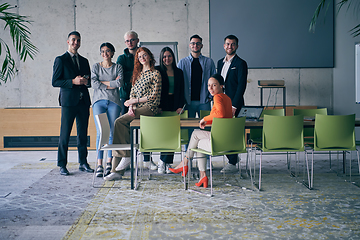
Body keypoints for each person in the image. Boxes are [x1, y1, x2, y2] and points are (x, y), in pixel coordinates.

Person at [104, 47, 162, 181]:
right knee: (120, 125)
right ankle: (116, 170)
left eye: (144, 55)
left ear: (150, 56)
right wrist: (132, 106)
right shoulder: (138, 74)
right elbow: (132, 93)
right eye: (140, 56)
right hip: (137, 108)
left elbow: (154, 96)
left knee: (119, 122)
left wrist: (134, 101)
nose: (142, 58)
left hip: (149, 107)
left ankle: (127, 156)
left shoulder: (155, 73)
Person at [169, 74, 232, 188]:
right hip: (227, 140)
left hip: (218, 141)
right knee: (198, 141)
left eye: (214, 85)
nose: (210, 88)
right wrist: (208, 121)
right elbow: (223, 118)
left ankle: (185, 162)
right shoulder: (227, 98)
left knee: (195, 135)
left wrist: (204, 119)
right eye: (208, 85)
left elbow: (221, 114)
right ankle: (202, 176)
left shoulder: (217, 97)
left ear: (221, 86)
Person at [52, 31, 94, 175]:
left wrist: (85, 81)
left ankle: (83, 162)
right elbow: (55, 81)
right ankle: (62, 164)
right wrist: (72, 82)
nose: (76, 42)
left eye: (78, 40)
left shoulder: (84, 61)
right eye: (73, 40)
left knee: (82, 134)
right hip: (68, 102)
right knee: (65, 134)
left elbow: (89, 80)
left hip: (83, 102)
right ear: (68, 42)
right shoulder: (60, 60)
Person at [217, 35, 248, 173]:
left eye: (233, 44)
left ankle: (232, 162)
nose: (230, 46)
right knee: (222, 132)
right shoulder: (220, 63)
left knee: (232, 133)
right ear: (224, 46)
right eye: (227, 44)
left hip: (234, 105)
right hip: (221, 104)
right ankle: (233, 158)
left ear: (237, 46)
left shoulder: (241, 63)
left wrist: (234, 106)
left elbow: (241, 86)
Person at [91, 42, 123, 177]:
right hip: (98, 102)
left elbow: (119, 83)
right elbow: (93, 84)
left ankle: (109, 163)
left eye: (108, 51)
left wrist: (102, 83)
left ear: (112, 53)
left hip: (114, 102)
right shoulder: (95, 67)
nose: (105, 54)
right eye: (103, 51)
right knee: (100, 132)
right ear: (100, 53)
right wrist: (110, 84)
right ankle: (99, 164)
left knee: (111, 133)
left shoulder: (118, 67)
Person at [155, 47, 185, 174]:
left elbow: (182, 90)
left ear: (173, 57)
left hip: (175, 105)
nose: (167, 59)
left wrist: (180, 106)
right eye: (164, 56)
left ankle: (168, 162)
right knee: (164, 135)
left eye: (169, 56)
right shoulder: (157, 70)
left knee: (172, 134)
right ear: (161, 58)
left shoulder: (179, 72)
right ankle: (162, 161)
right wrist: (157, 106)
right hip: (162, 105)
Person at [177, 34, 216, 118]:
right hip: (187, 101)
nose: (195, 45)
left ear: (201, 45)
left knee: (207, 126)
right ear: (190, 45)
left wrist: (210, 97)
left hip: (204, 101)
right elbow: (178, 82)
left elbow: (215, 81)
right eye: (193, 43)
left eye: (198, 43)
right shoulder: (182, 62)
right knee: (188, 129)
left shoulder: (209, 62)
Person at [116, 31, 139, 115]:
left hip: (142, 95)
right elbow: (120, 77)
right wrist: (138, 74)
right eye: (127, 41)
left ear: (137, 40)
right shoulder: (121, 58)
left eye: (132, 40)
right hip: (125, 94)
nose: (130, 43)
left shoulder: (143, 56)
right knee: (125, 121)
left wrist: (129, 74)